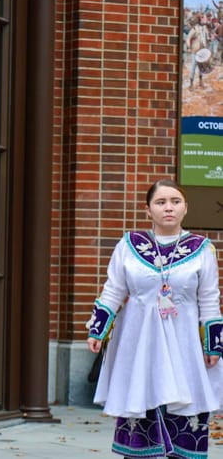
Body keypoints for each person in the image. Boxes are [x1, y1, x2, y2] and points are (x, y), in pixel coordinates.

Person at [86, 179, 222, 459]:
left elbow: (209, 299)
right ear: (148, 210)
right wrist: (97, 330)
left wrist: (213, 346)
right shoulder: (129, 245)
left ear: (186, 208)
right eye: (160, 202)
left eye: (175, 201)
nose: (168, 208)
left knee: (186, 406)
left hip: (184, 343)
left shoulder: (202, 249)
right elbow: (113, 289)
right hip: (140, 342)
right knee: (141, 399)